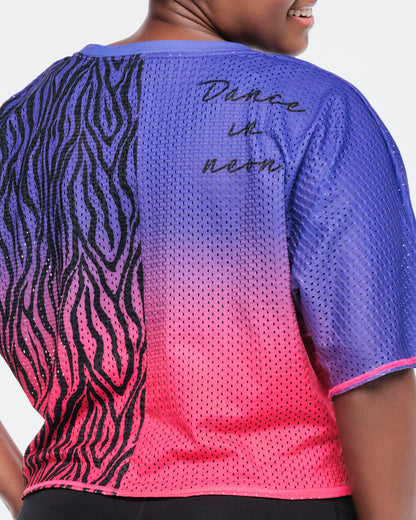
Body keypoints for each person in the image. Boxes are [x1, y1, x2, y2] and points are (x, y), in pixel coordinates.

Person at [1, 0, 416, 519]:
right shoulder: (317, 109)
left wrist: (34, 497)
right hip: (278, 497)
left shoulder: (16, 124)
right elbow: (373, 373)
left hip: (67, 501)